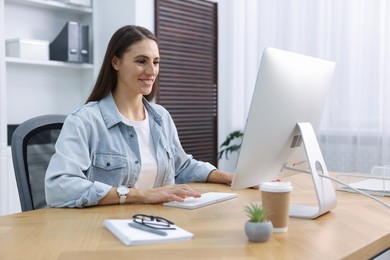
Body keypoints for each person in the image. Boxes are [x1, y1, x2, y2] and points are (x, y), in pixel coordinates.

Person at [45, 25, 233, 208]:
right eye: (141, 61)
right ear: (116, 62)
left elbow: (182, 166)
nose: (152, 71)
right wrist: (141, 195)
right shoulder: (85, 121)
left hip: (158, 223)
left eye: (156, 62)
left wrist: (231, 178)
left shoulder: (161, 117)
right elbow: (58, 187)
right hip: (103, 230)